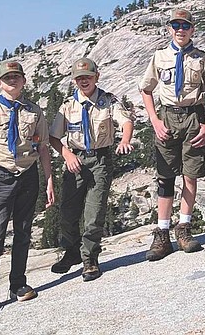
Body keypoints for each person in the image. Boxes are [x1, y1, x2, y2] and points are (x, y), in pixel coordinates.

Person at [0, 61, 55, 319]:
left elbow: (43, 148)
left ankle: (18, 284)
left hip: (28, 176)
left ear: (24, 80)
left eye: (16, 76)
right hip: (1, 177)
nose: (12, 81)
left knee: (23, 232)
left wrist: (49, 179)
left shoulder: (34, 111)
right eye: (7, 77)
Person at [139, 8, 205, 261]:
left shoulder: (202, 59)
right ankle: (162, 233)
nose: (180, 30)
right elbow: (146, 89)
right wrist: (154, 120)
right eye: (176, 25)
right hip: (168, 117)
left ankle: (183, 227)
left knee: (190, 174)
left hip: (194, 116)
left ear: (193, 29)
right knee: (165, 176)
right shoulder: (159, 56)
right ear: (169, 28)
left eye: (185, 25)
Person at [49, 57, 134, 280]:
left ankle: (90, 259)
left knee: (94, 212)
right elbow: (54, 137)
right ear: (74, 80)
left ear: (97, 76)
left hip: (100, 160)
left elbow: (125, 121)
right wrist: (66, 154)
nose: (83, 81)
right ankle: (72, 252)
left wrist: (125, 140)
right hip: (75, 161)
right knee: (67, 212)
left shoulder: (108, 101)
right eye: (79, 78)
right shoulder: (68, 106)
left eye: (87, 76)